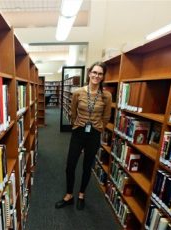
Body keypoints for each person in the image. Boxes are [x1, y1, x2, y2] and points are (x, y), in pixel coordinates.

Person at [55, 61, 112, 210]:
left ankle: (81, 194)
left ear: (103, 76)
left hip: (94, 134)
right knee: (70, 165)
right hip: (79, 132)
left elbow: (106, 117)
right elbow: (73, 112)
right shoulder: (77, 92)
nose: (96, 76)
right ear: (89, 73)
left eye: (100, 73)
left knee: (87, 166)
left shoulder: (106, 96)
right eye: (94, 72)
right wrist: (76, 125)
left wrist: (98, 128)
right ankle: (69, 195)